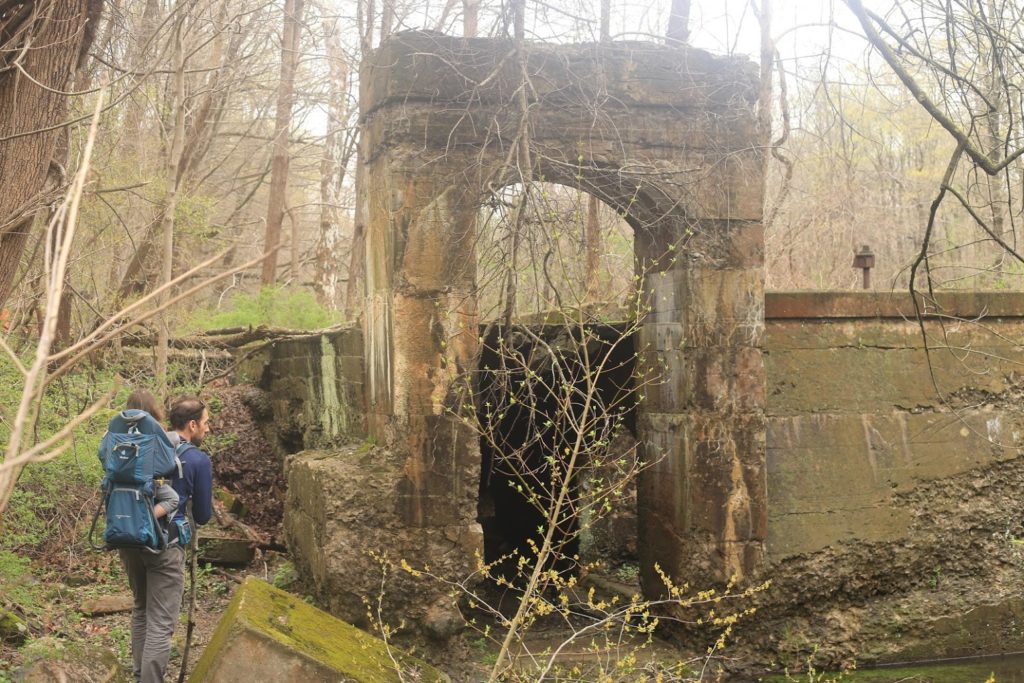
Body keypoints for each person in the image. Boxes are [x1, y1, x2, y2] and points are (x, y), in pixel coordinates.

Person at [119, 394, 214, 683]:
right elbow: (202, 516)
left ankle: (140, 676)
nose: (209, 429)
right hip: (165, 546)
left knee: (141, 609)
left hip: (128, 538)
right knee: (161, 623)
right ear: (193, 425)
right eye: (207, 423)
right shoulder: (196, 459)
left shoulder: (139, 446)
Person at [123, 390, 178, 525]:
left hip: (120, 479)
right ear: (153, 407)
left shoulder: (120, 427)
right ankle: (142, 518)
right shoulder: (154, 428)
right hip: (145, 480)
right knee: (173, 499)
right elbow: (166, 463)